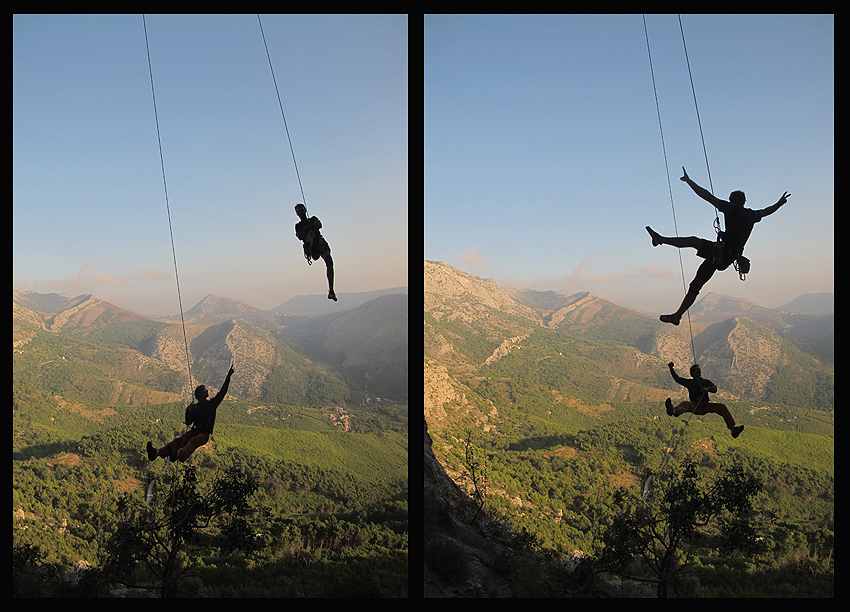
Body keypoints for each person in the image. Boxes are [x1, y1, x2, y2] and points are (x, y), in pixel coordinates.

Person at [646, 167, 789, 325]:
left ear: (731, 200)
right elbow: (767, 211)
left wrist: (689, 181)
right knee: (694, 243)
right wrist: (779, 203)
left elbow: (706, 196)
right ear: (744, 201)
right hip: (725, 254)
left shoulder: (731, 209)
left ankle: (677, 316)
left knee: (696, 282)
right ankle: (660, 239)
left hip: (720, 255)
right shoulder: (751, 215)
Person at [147, 362, 234, 463]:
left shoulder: (211, 404)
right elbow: (188, 422)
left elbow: (222, 392)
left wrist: (228, 377)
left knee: (193, 441)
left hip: (204, 433)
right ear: (200, 394)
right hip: (196, 431)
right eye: (205, 390)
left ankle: (179, 454)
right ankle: (157, 452)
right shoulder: (199, 406)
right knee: (179, 441)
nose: (207, 391)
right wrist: (188, 410)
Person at [665, 361, 744, 438]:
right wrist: (671, 369)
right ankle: (674, 411)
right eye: (697, 369)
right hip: (696, 405)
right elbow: (678, 379)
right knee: (685, 404)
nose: (699, 370)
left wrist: (707, 389)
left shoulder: (705, 382)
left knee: (722, 407)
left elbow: (715, 389)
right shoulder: (690, 382)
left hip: (705, 405)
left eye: (699, 369)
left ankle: (733, 429)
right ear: (693, 373)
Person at [294, 203, 337, 302]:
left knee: (329, 262)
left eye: (301, 210)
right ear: (297, 213)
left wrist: (309, 227)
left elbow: (319, 224)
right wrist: (309, 228)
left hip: (319, 243)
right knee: (310, 233)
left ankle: (331, 291)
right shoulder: (298, 225)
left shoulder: (312, 219)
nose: (300, 212)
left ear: (305, 210)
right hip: (314, 247)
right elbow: (299, 236)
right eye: (298, 211)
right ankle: (309, 245)